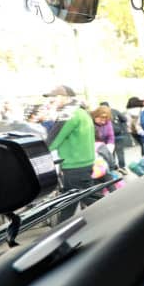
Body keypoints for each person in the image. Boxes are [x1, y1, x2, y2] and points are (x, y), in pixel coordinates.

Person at [45, 85, 98, 222]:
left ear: (63, 97)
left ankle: (60, 235)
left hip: (74, 165)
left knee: (71, 202)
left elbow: (52, 141)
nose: (51, 102)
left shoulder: (68, 114)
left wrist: (34, 154)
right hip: (84, 162)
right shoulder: (81, 111)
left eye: (53, 98)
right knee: (84, 198)